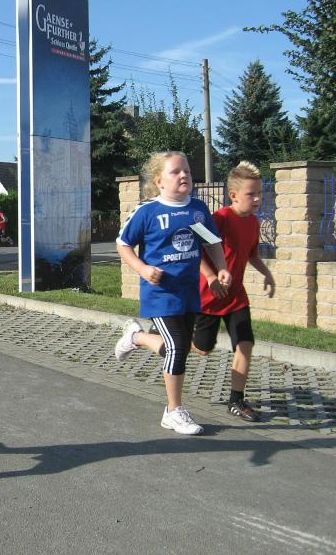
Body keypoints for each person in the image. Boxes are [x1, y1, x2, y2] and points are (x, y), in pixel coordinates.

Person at [113, 151, 231, 436]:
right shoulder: (147, 212)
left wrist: (221, 269)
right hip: (160, 293)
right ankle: (173, 411)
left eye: (186, 171)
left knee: (177, 349)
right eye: (175, 171)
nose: (183, 175)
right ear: (159, 181)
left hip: (188, 292)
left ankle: (136, 337)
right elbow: (123, 244)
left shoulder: (197, 210)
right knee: (178, 347)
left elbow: (211, 242)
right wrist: (142, 268)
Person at [192, 161, 276, 422]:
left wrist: (267, 273)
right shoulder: (218, 219)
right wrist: (211, 277)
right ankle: (172, 338)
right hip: (209, 297)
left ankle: (236, 400)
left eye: (259, 193)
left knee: (245, 343)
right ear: (233, 195)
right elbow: (194, 249)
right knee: (203, 349)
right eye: (251, 194)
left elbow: (251, 254)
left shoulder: (253, 222)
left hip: (236, 296)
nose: (257, 199)